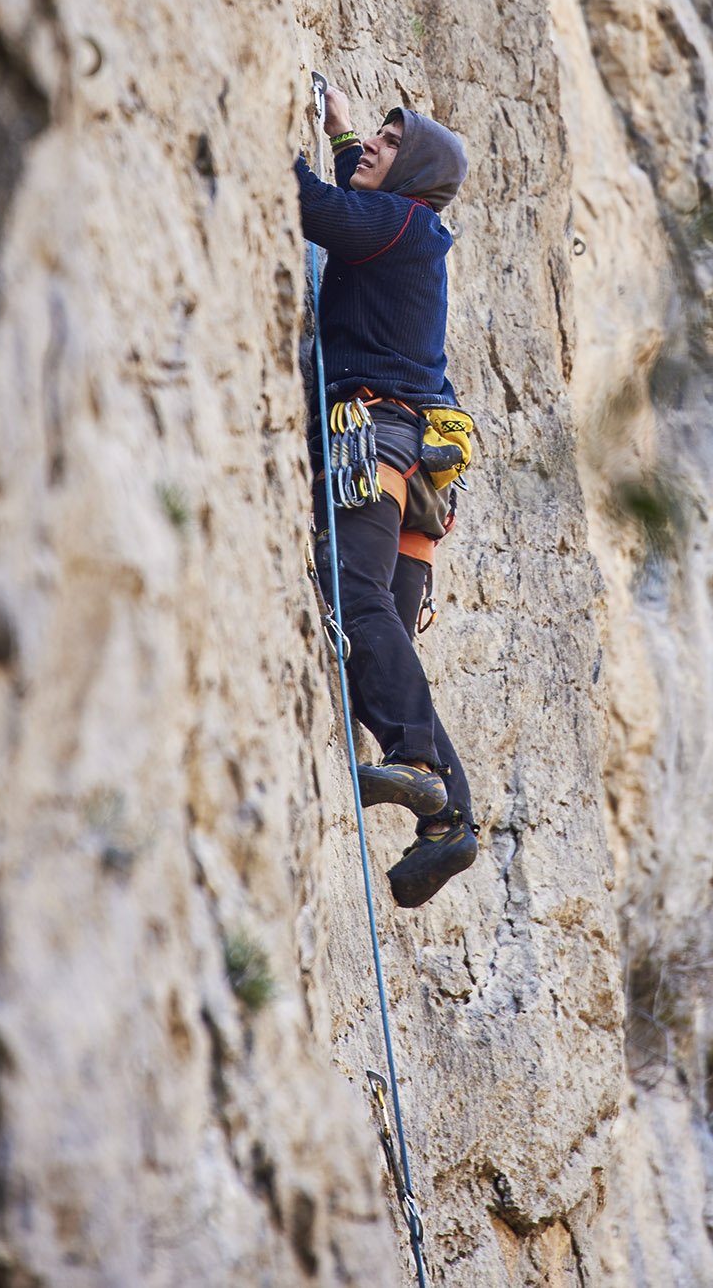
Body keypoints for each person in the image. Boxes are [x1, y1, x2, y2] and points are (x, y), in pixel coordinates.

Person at [294, 87, 478, 908]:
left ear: (416, 173)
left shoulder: (399, 226)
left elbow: (318, 211)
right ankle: (453, 825)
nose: (372, 141)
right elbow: (353, 200)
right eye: (374, 131)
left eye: (389, 141)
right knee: (386, 642)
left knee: (354, 598)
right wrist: (338, 133)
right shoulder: (410, 229)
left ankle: (420, 766)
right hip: (417, 473)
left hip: (374, 442)